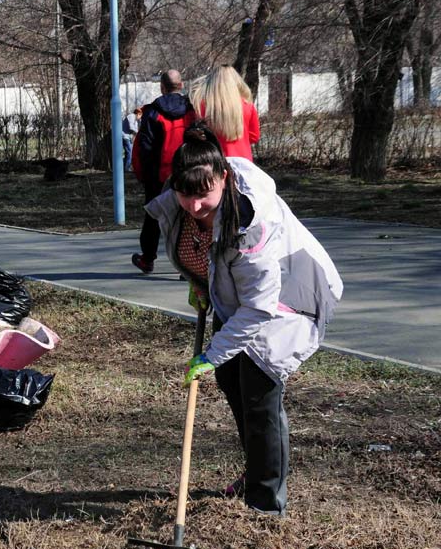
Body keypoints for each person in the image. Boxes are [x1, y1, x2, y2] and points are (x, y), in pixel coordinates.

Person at [145, 124, 343, 517]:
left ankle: (265, 503)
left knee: (259, 395)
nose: (193, 206)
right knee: (230, 379)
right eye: (185, 195)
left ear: (224, 179)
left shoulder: (253, 227)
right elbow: (197, 249)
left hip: (288, 302)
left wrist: (212, 352)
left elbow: (258, 307)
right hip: (239, 301)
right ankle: (255, 472)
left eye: (203, 196)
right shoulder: (182, 198)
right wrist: (199, 281)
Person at [130, 69, 196, 274]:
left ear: (162, 87)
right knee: (190, 218)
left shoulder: (152, 112)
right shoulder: (192, 111)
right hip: (188, 172)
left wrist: (146, 176)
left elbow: (145, 148)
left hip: (159, 175)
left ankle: (147, 259)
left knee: (153, 217)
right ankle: (189, 266)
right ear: (182, 85)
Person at [190, 65, 260, 160]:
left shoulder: (202, 106)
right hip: (243, 160)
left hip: (214, 160)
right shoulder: (247, 105)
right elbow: (254, 137)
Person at [121, 107, 142, 172]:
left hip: (128, 137)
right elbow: (131, 127)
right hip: (124, 136)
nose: (140, 118)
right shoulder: (131, 116)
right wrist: (138, 132)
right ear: (138, 114)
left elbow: (135, 130)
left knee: (130, 152)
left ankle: (126, 166)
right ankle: (126, 168)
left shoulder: (135, 120)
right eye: (140, 116)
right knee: (129, 152)